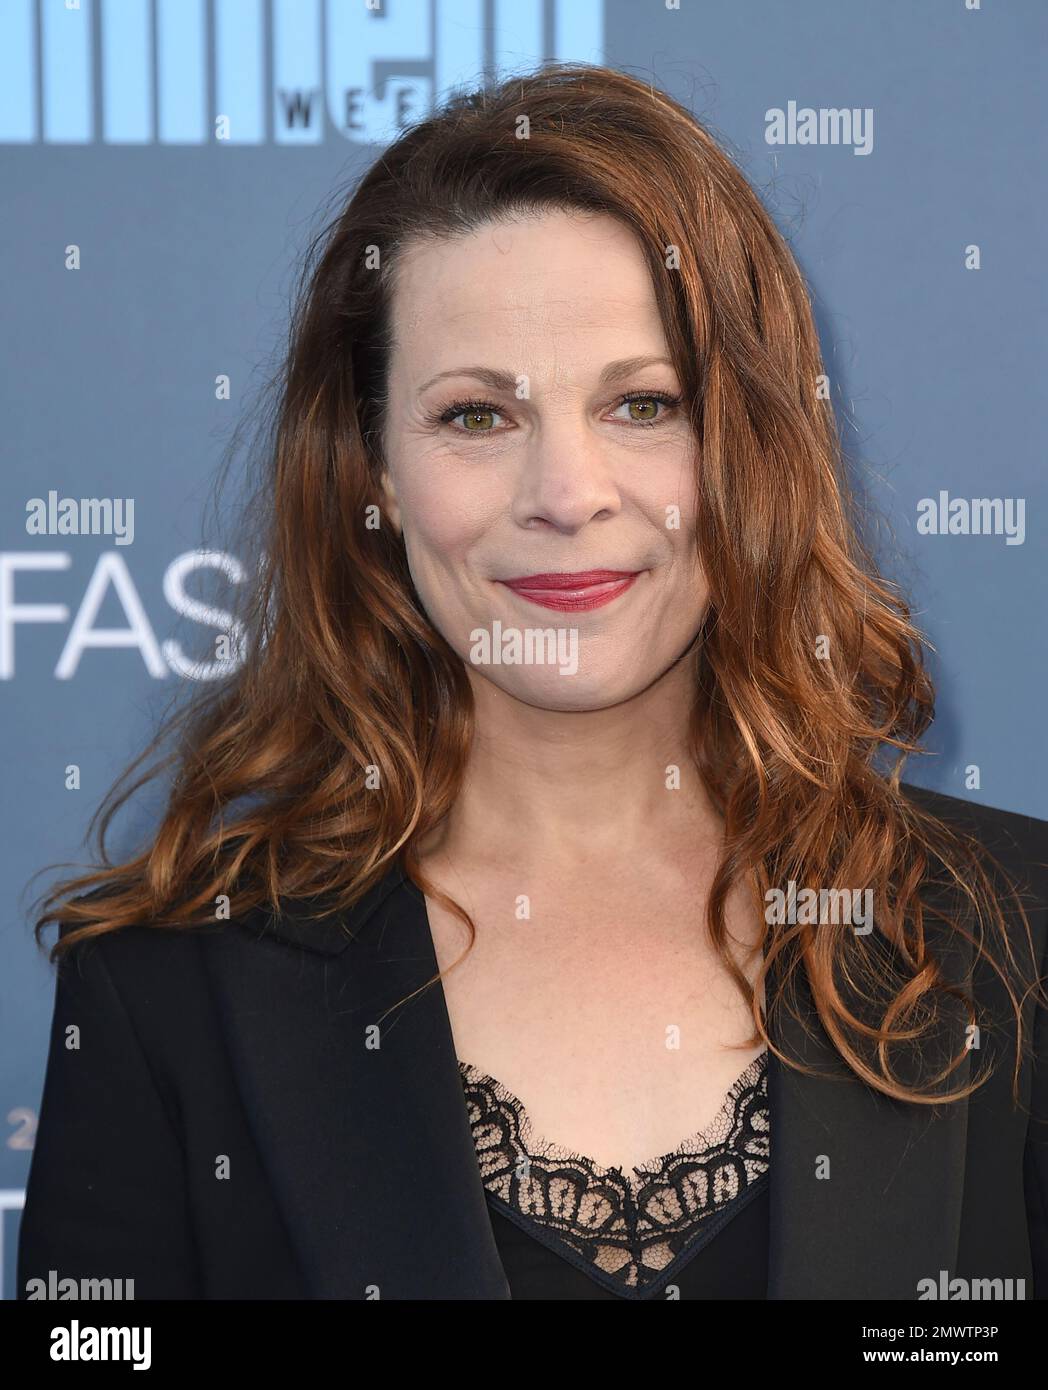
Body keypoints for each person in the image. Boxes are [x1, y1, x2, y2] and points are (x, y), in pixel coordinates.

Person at [17, 63, 1048, 1302]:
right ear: (373, 470)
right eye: (474, 418)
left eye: (643, 403)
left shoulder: (1010, 933)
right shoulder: (169, 985)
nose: (566, 493)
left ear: (753, 450)